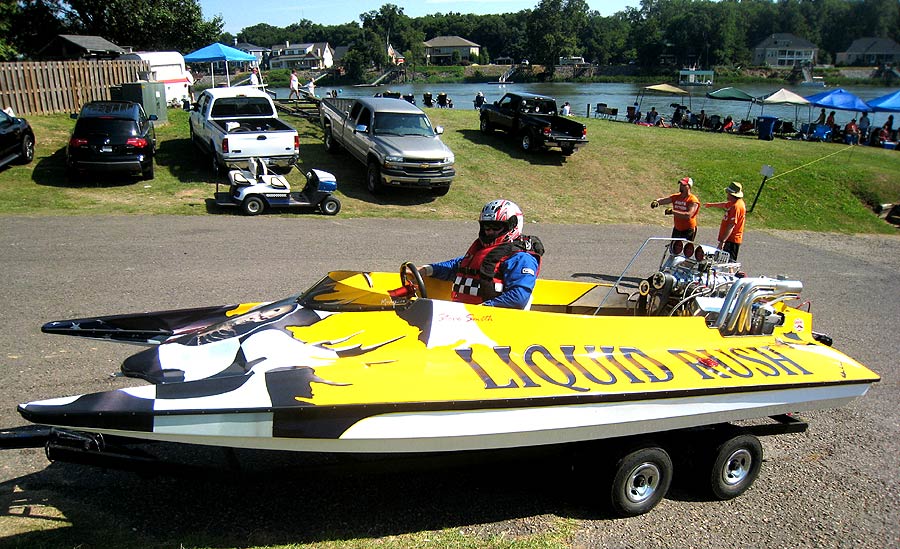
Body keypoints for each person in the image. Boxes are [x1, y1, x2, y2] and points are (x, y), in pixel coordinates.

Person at [419, 199, 543, 309]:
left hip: (493, 322)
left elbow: (518, 297)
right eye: (486, 227)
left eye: (495, 227)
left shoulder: (521, 258)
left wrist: (484, 308)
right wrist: (427, 270)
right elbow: (457, 266)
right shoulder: (480, 250)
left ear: (512, 226)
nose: (489, 232)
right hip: (465, 316)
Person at [704, 181, 746, 260]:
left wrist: (722, 241)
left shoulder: (736, 206)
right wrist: (711, 205)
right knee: (724, 260)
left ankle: (733, 272)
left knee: (729, 262)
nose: (727, 194)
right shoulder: (733, 203)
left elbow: (731, 225)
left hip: (732, 240)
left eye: (728, 193)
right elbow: (724, 204)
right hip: (728, 239)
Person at [651, 177, 701, 242]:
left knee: (685, 250)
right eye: (680, 184)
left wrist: (672, 212)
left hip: (688, 230)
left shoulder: (693, 200)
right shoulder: (676, 197)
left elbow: (688, 215)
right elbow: (664, 200)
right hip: (677, 228)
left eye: (683, 185)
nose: (681, 186)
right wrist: (656, 201)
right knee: (673, 249)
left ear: (689, 186)